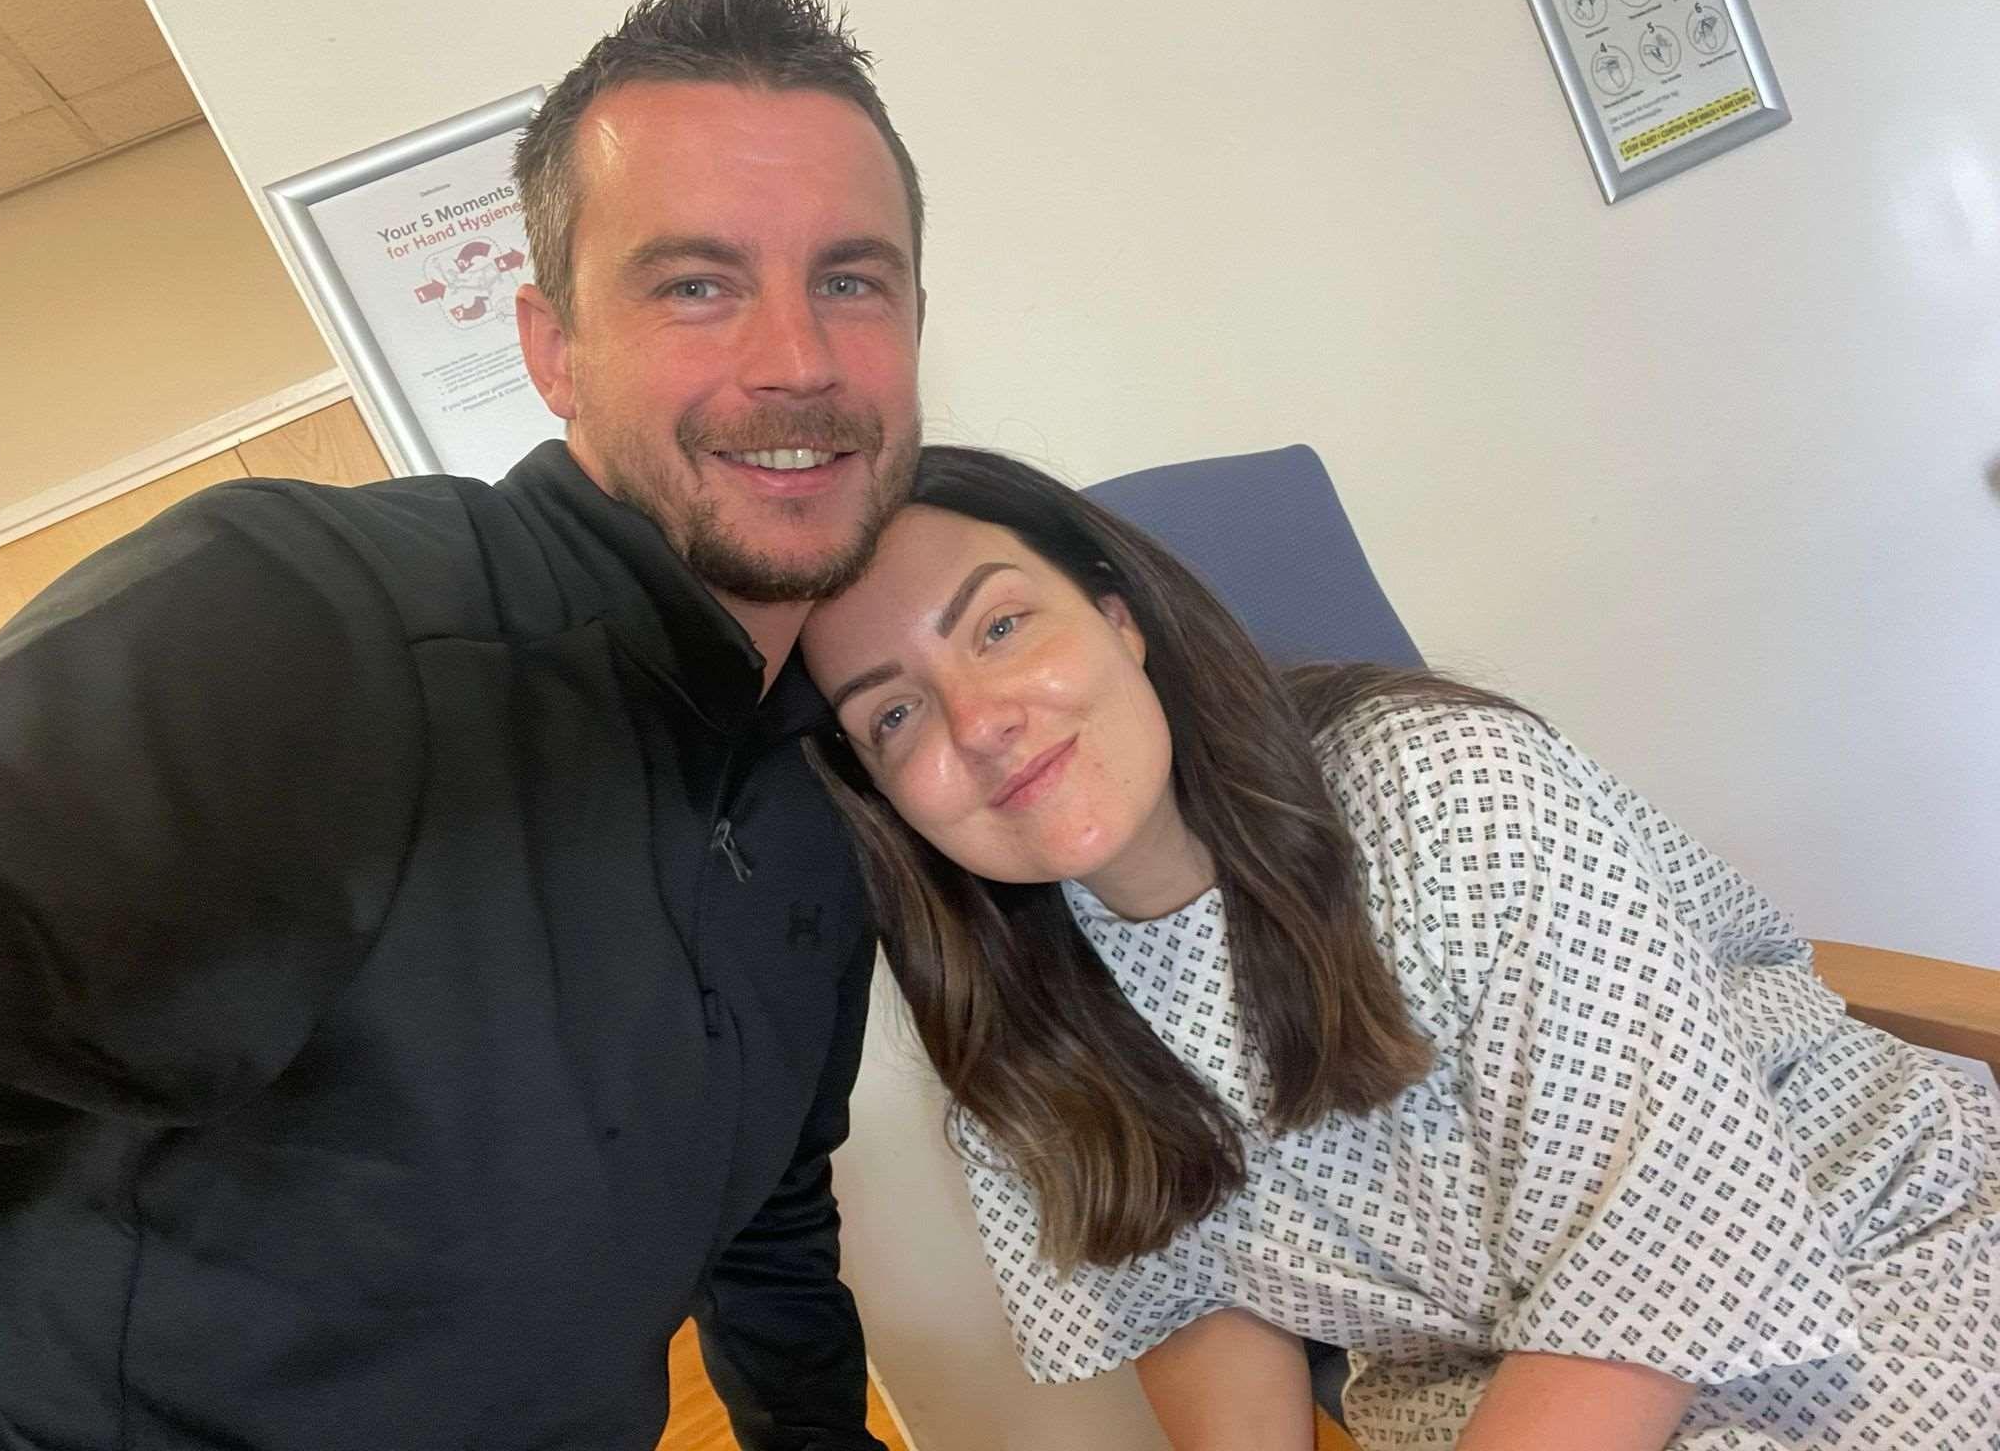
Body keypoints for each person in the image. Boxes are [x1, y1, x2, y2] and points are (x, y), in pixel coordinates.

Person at [0, 0, 920, 1451]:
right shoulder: (309, 619)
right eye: (695, 284)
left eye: (851, 280)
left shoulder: (823, 801)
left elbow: (768, 1225)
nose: (795, 361)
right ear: (551, 350)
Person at [797, 445, 2000, 1450]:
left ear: (1121, 622)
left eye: (1000, 625)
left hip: (1857, 1243)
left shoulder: (1436, 789)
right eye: (893, 713)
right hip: (1477, 1387)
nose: (980, 721)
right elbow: (1185, 1293)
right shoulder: (1015, 1038)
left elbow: (1664, 1246)